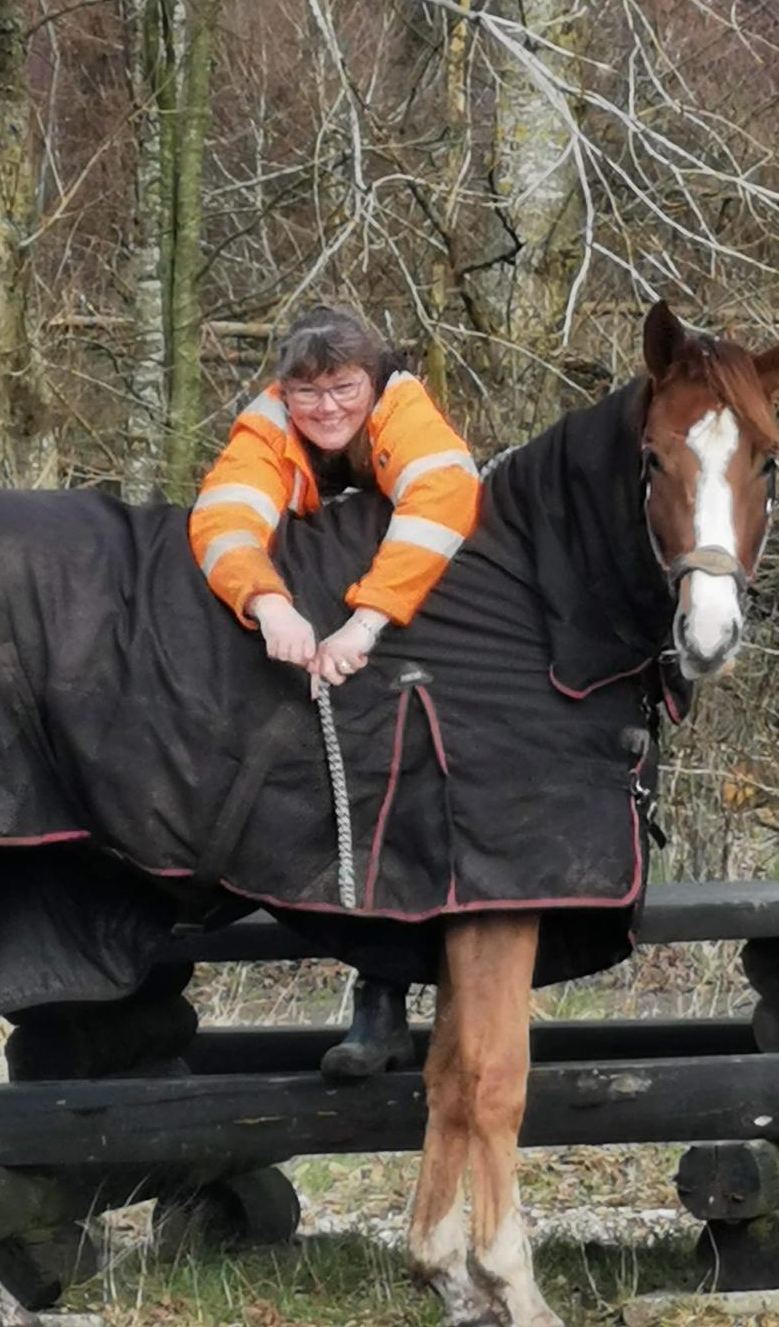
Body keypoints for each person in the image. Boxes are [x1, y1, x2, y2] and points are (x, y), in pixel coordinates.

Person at [188, 305, 481, 1078]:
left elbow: (446, 495)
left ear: (373, 380)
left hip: (419, 622)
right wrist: (266, 601)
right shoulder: (267, 424)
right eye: (305, 392)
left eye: (343, 388)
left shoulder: (405, 411)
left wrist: (366, 624)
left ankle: (402, 999)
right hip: (313, 620)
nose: (325, 409)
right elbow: (225, 514)